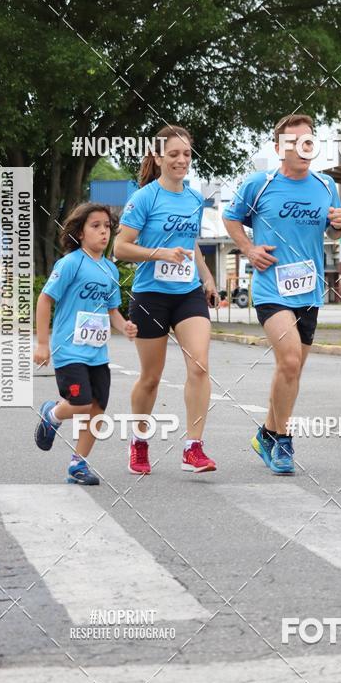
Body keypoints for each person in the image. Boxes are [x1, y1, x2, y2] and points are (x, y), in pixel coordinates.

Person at [223, 113, 341, 475]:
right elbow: (231, 218)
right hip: (270, 288)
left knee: (290, 371)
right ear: (279, 148)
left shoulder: (325, 185)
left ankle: (268, 434)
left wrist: (338, 225)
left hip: (308, 290)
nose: (303, 146)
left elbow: (334, 232)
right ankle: (284, 439)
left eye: (308, 139)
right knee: (289, 360)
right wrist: (248, 248)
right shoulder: (259, 184)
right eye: (294, 141)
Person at [113, 125, 219, 476]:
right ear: (158, 158)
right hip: (150, 295)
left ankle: (193, 447)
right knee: (151, 377)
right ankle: (139, 440)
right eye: (173, 154)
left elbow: (190, 245)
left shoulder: (193, 199)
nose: (181, 160)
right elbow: (120, 247)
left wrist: (206, 277)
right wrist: (159, 253)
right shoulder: (144, 198)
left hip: (187, 292)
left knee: (199, 365)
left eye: (186, 154)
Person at [33, 203, 137, 486]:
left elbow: (111, 311)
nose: (104, 232)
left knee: (97, 409)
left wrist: (124, 325)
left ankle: (78, 464)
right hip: (69, 351)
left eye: (107, 227)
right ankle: (52, 414)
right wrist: (42, 343)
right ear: (80, 233)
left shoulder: (110, 270)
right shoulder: (70, 263)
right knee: (79, 403)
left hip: (97, 354)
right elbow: (45, 299)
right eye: (96, 226)